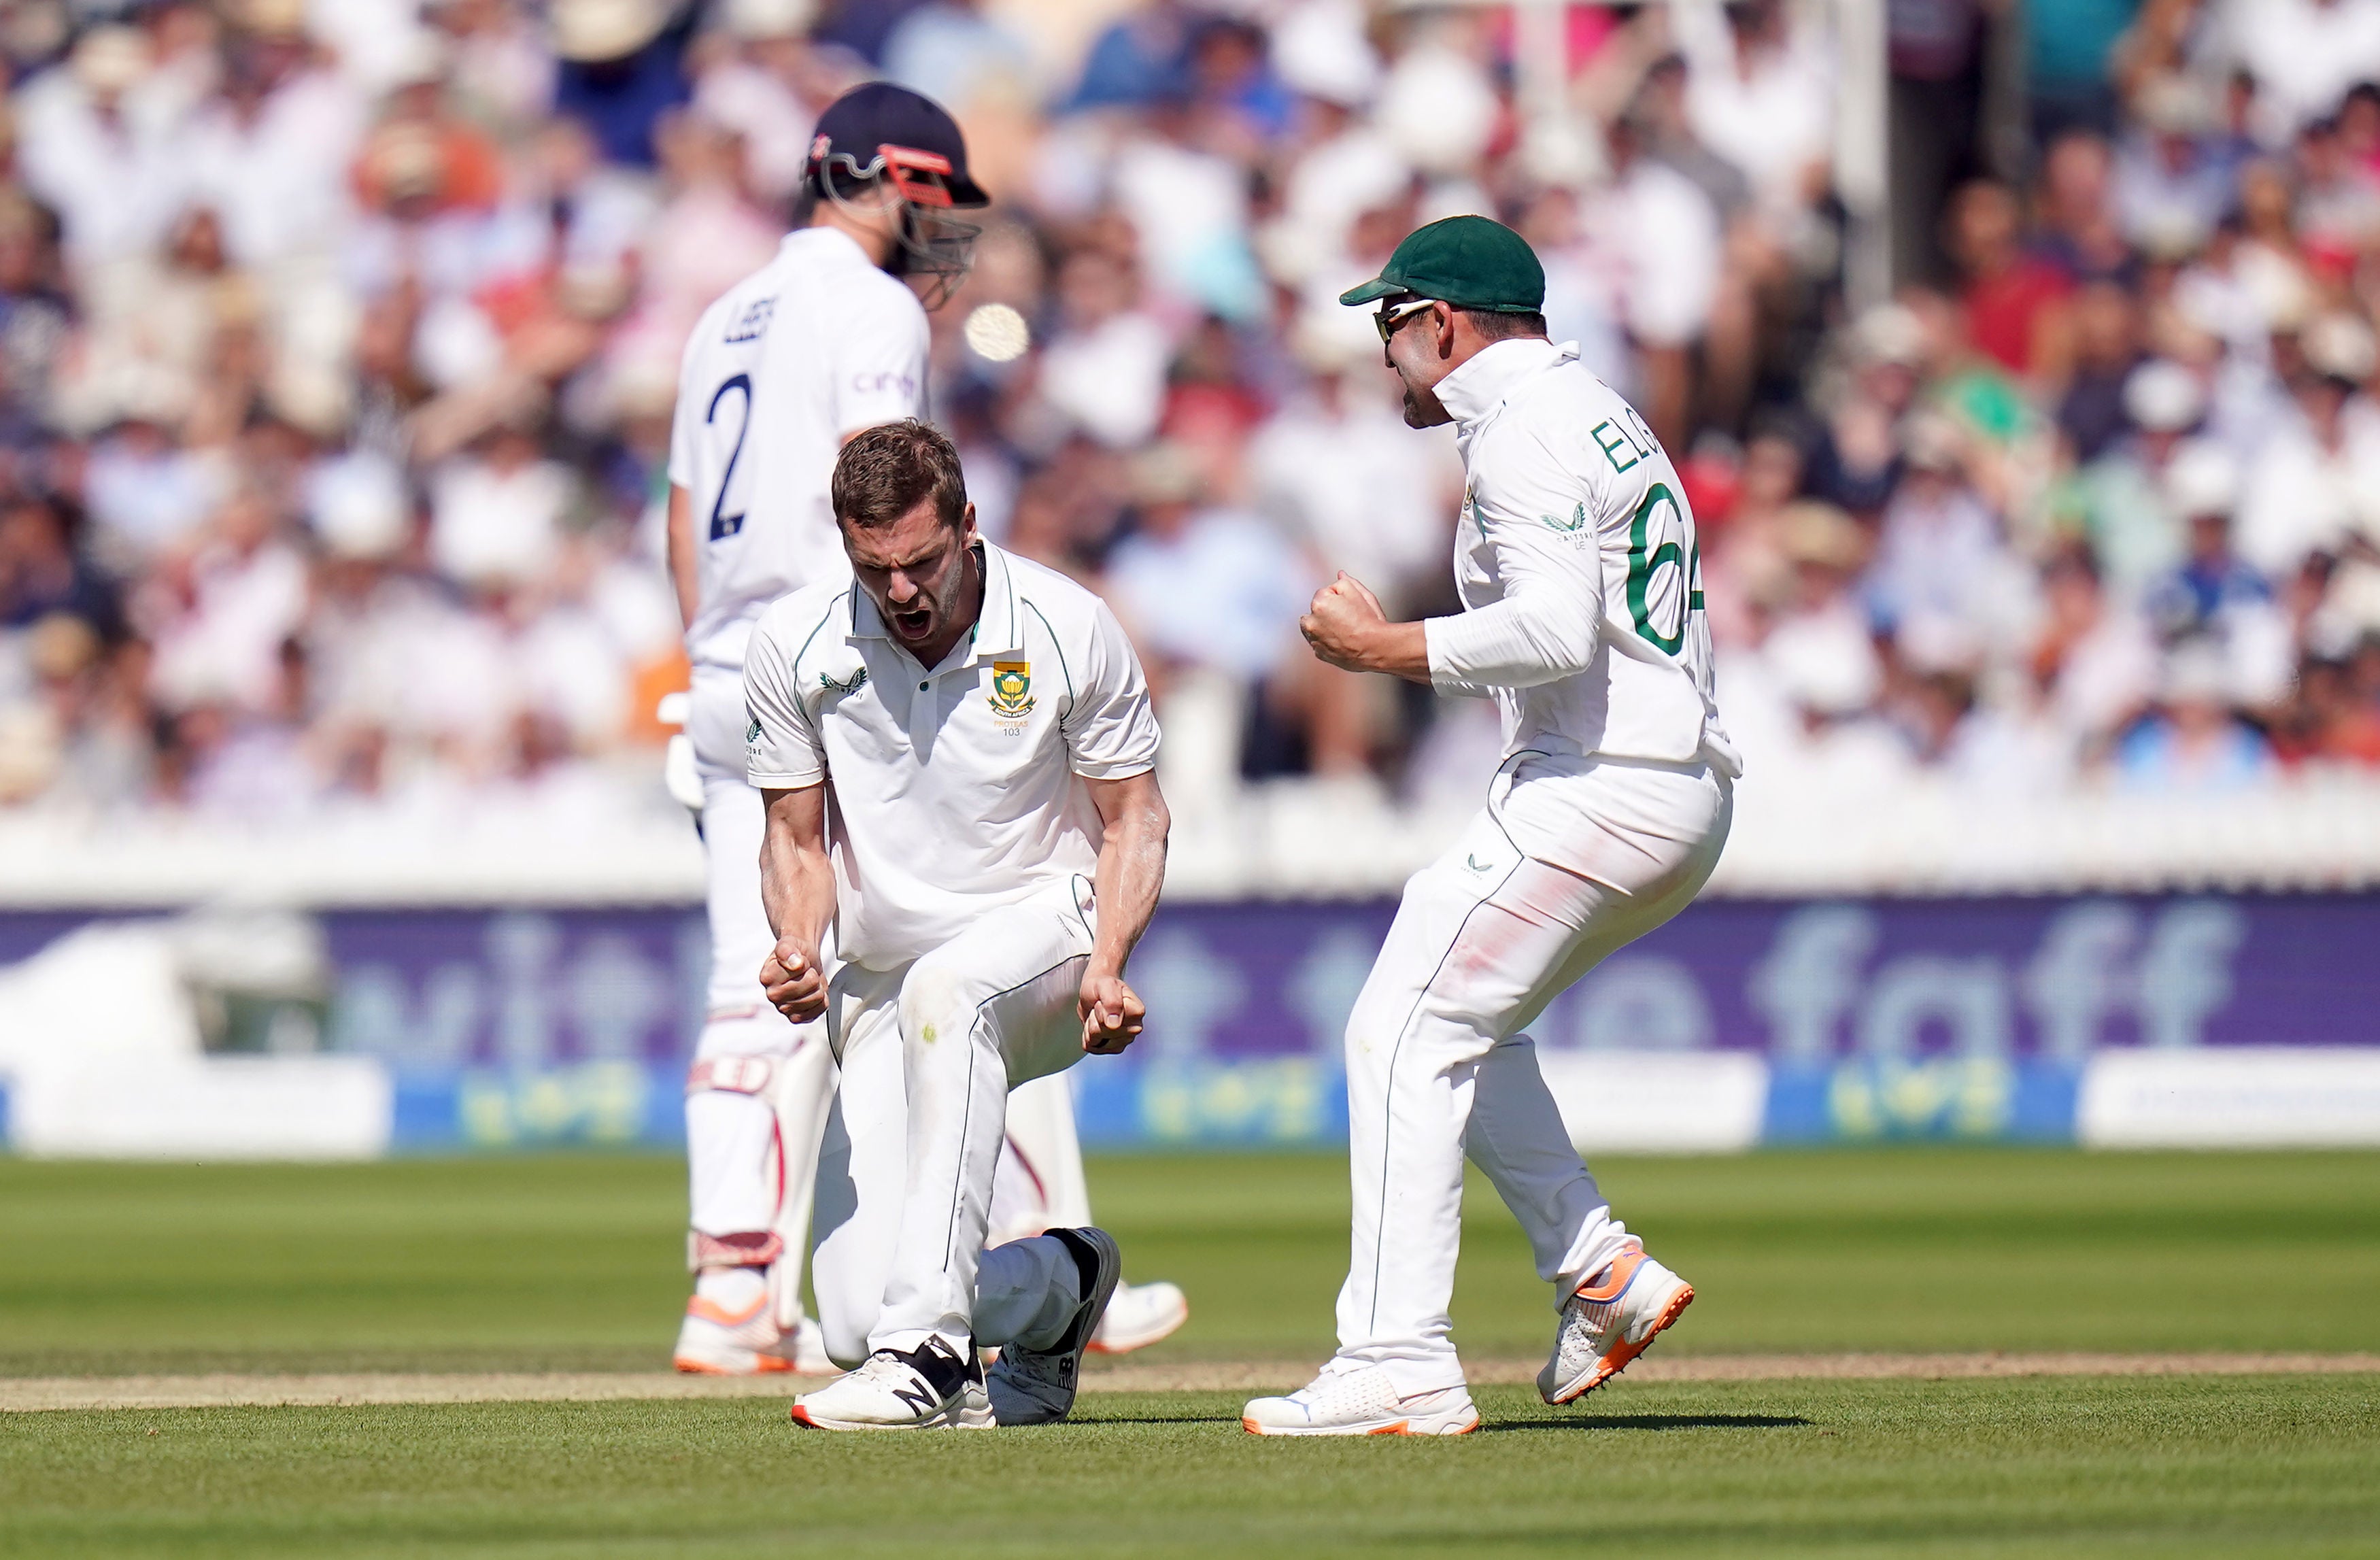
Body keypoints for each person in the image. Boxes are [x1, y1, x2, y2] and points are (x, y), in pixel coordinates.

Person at [1243, 216, 1740, 1436]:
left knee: (1398, 1032)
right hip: (1669, 778)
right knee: (1470, 1025)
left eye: (1389, 327)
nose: (1384, 356)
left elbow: (1554, 630)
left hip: (1604, 778)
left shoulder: (1521, 429)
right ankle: (1599, 1270)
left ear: (1442, 325)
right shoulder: (1589, 406)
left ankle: (1398, 1357)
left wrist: (1378, 649)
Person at [747, 421, 1171, 1430]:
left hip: (1052, 939)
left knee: (955, 988)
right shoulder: (796, 647)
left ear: (969, 527)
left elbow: (1135, 818)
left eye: (922, 562)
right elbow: (796, 844)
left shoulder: (1068, 624)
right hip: (887, 977)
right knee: (852, 1316)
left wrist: (1111, 959)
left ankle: (932, 1360)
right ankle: (1065, 1284)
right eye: (873, 568)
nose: (900, 593)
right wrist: (799, 944)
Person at [662, 82, 989, 1377]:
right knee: (954, 944)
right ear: (888, 178)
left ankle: (735, 1282)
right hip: (829, 663)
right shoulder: (870, 307)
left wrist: (709, 661)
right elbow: (888, 490)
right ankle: (1024, 1250)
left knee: (754, 977)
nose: (945, 231)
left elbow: (682, 518)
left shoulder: (718, 315)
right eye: (938, 199)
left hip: (726, 663)